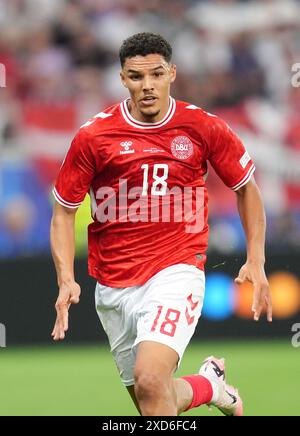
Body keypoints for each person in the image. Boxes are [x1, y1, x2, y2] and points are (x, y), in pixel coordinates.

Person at [50, 32, 272, 416]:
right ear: (122, 79)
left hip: (176, 270)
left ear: (172, 73)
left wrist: (256, 257)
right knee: (155, 399)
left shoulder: (202, 127)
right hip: (113, 286)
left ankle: (209, 385)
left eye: (156, 74)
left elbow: (246, 188)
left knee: (152, 382)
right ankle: (212, 386)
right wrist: (66, 278)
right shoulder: (94, 136)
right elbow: (64, 210)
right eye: (136, 77)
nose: (147, 85)